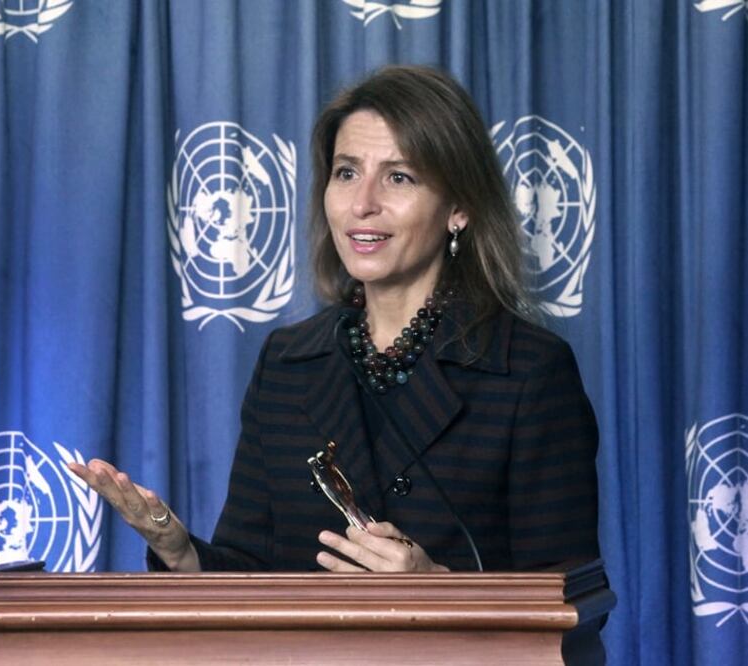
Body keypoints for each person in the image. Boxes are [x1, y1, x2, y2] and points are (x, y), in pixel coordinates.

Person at [68, 65, 600, 573]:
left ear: (458, 207)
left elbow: (571, 606)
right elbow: (252, 577)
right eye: (346, 172)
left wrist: (437, 586)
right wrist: (179, 551)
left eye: (399, 177)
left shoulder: (528, 370)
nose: (362, 203)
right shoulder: (287, 362)